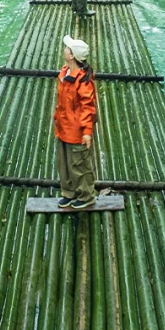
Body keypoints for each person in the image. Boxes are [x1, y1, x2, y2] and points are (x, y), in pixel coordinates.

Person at [53, 35, 97, 212]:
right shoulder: (65, 72)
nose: (64, 49)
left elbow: (88, 107)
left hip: (77, 131)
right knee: (64, 163)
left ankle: (86, 196)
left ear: (72, 56)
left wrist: (87, 131)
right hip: (63, 128)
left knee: (80, 165)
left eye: (67, 48)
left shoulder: (83, 81)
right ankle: (69, 193)